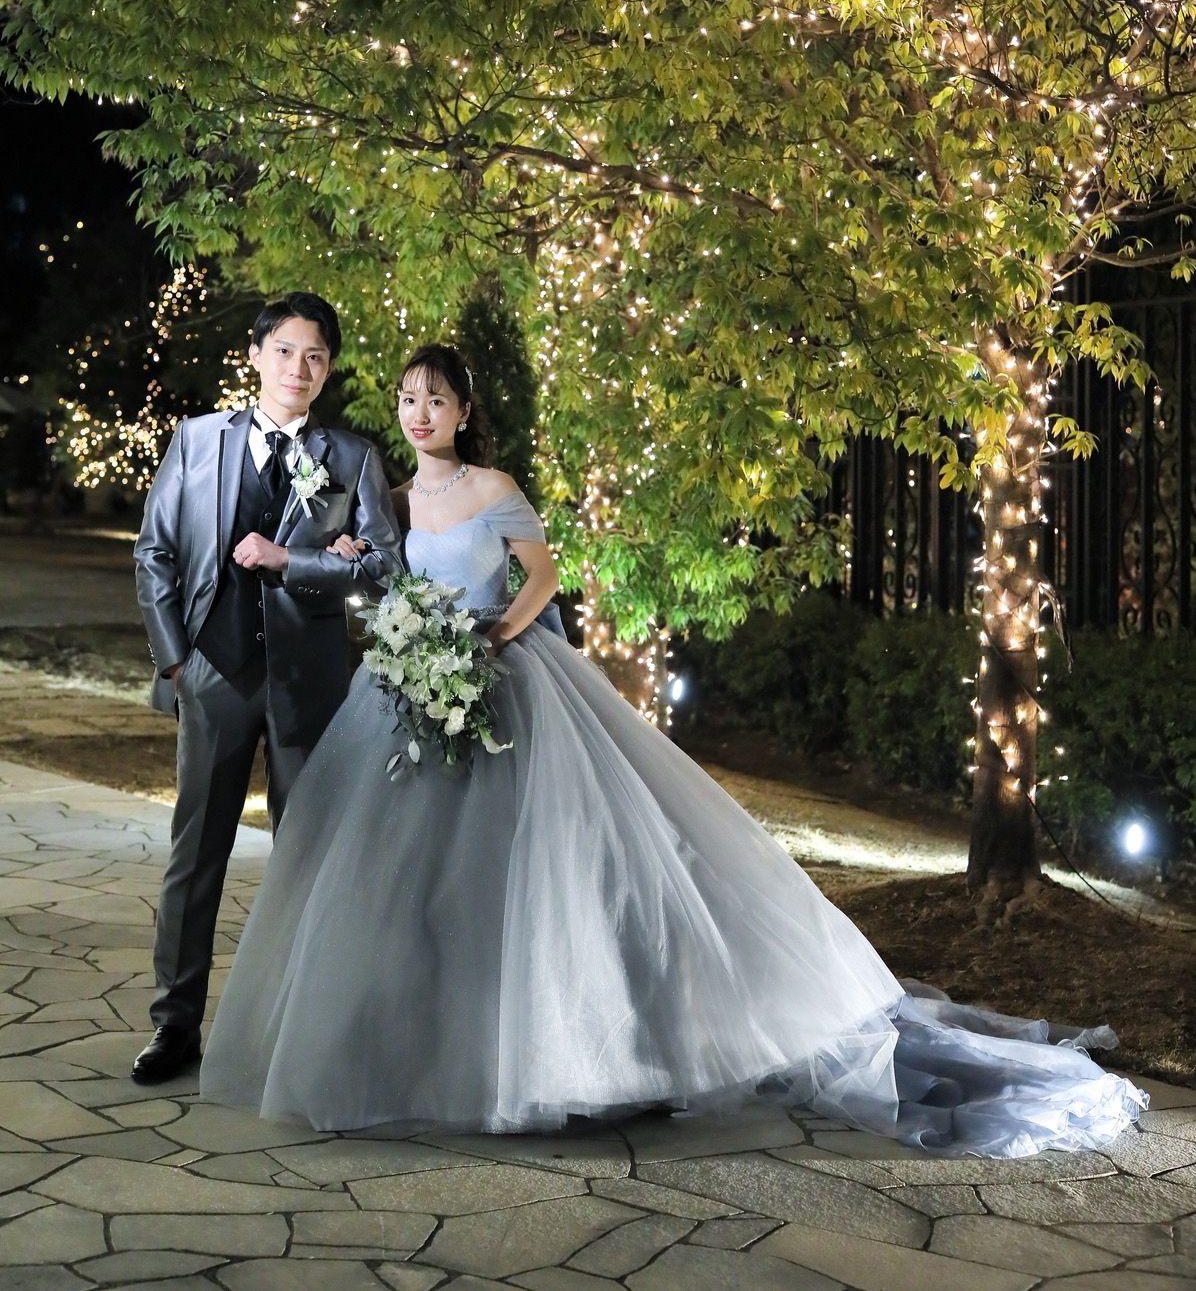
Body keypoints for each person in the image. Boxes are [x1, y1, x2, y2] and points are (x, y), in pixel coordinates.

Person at [199, 343, 1146, 1154]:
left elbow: (542, 577)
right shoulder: (395, 499)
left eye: (436, 399)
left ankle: (582, 1055)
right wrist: (369, 595)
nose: (419, 413)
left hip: (509, 680)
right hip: (413, 689)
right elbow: (377, 574)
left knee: (535, 875)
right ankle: (418, 1049)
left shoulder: (496, 489)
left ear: (464, 411)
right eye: (409, 398)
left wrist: (494, 637)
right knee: (417, 883)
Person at [131, 292, 403, 1085]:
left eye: (315, 355)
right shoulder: (196, 440)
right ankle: (174, 1023)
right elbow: (154, 554)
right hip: (212, 674)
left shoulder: (352, 457)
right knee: (195, 856)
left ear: (329, 367)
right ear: (255, 354)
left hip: (307, 684)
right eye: (285, 350)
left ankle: (300, 1033)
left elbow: (385, 570)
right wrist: (177, 662)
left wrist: (300, 561)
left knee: (307, 858)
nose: (298, 368)